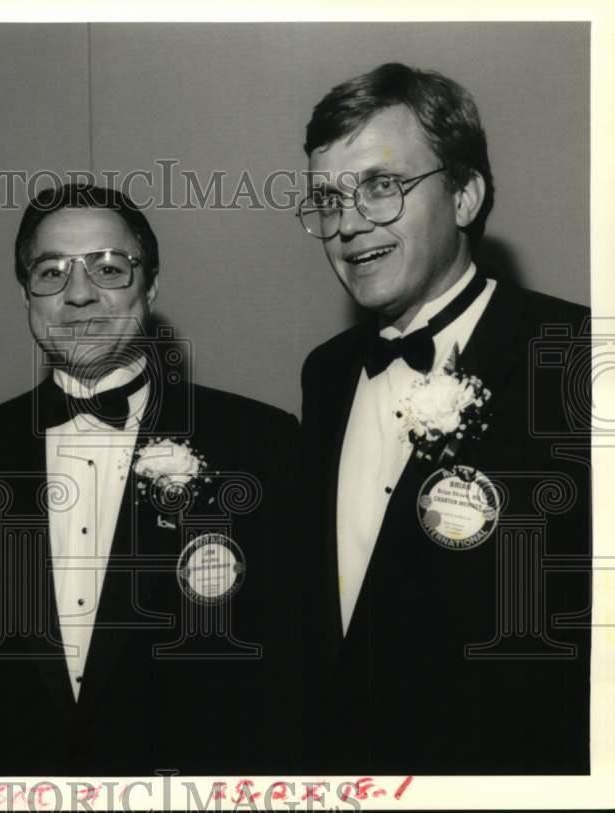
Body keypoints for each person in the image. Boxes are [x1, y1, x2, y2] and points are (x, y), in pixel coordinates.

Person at [0, 184, 301, 776]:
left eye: (109, 268)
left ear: (151, 284)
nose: (79, 294)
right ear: (24, 293)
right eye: (51, 272)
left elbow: (290, 674)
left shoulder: (259, 444)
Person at [297, 63, 591, 774]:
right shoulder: (327, 373)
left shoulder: (579, 359)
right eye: (327, 199)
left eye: (381, 186)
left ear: (464, 195)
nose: (347, 224)